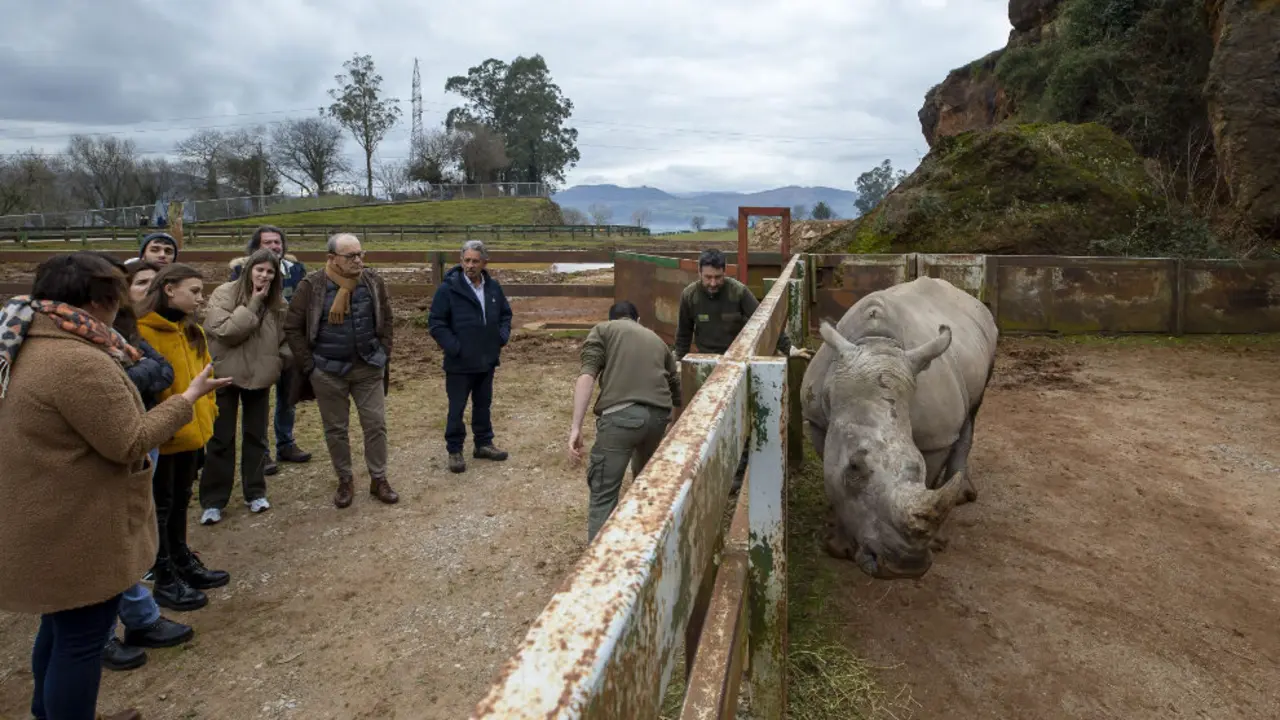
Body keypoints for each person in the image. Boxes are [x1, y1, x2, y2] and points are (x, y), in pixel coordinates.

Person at [0, 252, 228, 720]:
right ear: (98, 301)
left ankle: (50, 712)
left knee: (60, 628)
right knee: (82, 640)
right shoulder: (78, 361)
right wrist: (187, 398)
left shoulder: (24, 339)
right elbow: (130, 440)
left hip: (45, 515)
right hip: (76, 525)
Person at [89, 256, 196, 672]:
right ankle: (101, 636)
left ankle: (141, 615)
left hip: (143, 434)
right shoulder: (80, 349)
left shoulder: (123, 333)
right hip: (116, 448)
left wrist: (134, 375)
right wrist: (135, 376)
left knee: (135, 525)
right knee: (110, 538)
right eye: (132, 286)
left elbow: (161, 370)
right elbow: (135, 379)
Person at [673, 249, 812, 492]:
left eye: (718, 277)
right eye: (708, 278)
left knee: (741, 417)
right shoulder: (690, 296)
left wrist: (788, 348)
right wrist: (679, 361)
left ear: (725, 273)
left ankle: (739, 469)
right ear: (699, 274)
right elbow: (683, 333)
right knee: (708, 421)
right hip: (707, 366)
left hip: (737, 362)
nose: (713, 283)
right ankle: (711, 468)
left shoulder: (738, 292)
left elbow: (764, 320)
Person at [136, 263, 232, 609]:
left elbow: (205, 375)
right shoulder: (142, 334)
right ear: (168, 289)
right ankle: (164, 577)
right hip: (164, 436)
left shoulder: (193, 331)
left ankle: (182, 561)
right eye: (193, 291)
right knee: (160, 507)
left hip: (193, 433)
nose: (200, 298)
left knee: (180, 501)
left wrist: (210, 415)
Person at [284, 232, 398, 508]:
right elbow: (292, 327)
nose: (358, 260)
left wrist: (383, 352)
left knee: (375, 425)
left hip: (368, 367)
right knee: (336, 429)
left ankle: (379, 478)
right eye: (351, 256)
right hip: (327, 371)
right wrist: (310, 366)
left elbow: (387, 318)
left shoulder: (373, 281)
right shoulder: (311, 285)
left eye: (360, 254)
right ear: (332, 258)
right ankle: (345, 479)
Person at [568, 301, 682, 542]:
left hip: (621, 418)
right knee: (646, 484)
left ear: (611, 319)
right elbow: (675, 386)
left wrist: (576, 427)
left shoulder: (603, 330)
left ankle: (601, 557)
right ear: (637, 320)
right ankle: (647, 546)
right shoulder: (657, 340)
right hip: (658, 417)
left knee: (603, 492)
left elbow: (587, 375)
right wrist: (673, 422)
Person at [199, 248, 292, 525]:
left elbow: (286, 337)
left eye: (270, 272)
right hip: (225, 376)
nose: (264, 276)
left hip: (260, 377)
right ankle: (214, 500)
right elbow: (226, 331)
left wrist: (278, 360)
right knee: (220, 438)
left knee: (256, 437)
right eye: (259, 269)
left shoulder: (278, 303)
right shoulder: (224, 294)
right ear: (249, 269)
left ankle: (255, 492)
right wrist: (253, 303)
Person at [228, 225, 311, 475]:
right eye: (268, 242)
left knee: (288, 397)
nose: (274, 246)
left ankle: (285, 443)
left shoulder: (296, 270)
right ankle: (260, 452)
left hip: (289, 343)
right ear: (256, 247)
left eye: (277, 242)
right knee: (258, 401)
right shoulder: (241, 272)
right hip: (259, 344)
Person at [426, 239, 513, 474]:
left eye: (475, 261)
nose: (470, 265)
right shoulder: (448, 289)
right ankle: (454, 450)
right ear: (461, 261)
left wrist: (500, 337)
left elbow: (505, 314)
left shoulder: (493, 288)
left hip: (487, 359)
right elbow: (436, 323)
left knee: (483, 404)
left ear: (485, 262)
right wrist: (455, 348)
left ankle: (483, 443)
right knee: (457, 407)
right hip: (459, 363)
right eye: (466, 260)